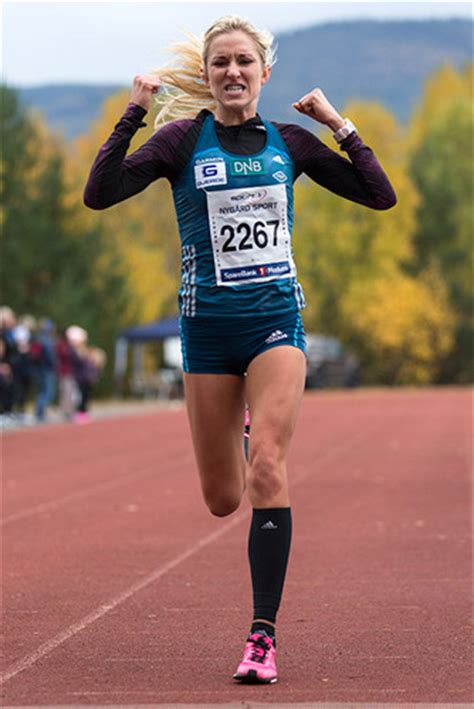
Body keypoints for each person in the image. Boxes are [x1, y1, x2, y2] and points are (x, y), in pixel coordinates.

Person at [84, 15, 396, 684]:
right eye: (220, 62)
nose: (232, 72)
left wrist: (337, 123)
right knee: (225, 498)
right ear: (207, 75)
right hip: (207, 334)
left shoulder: (290, 142)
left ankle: (262, 636)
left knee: (268, 472)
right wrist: (132, 114)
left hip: (274, 325)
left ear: (264, 73)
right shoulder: (178, 142)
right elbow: (99, 193)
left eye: (243, 62)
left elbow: (380, 194)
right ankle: (249, 426)